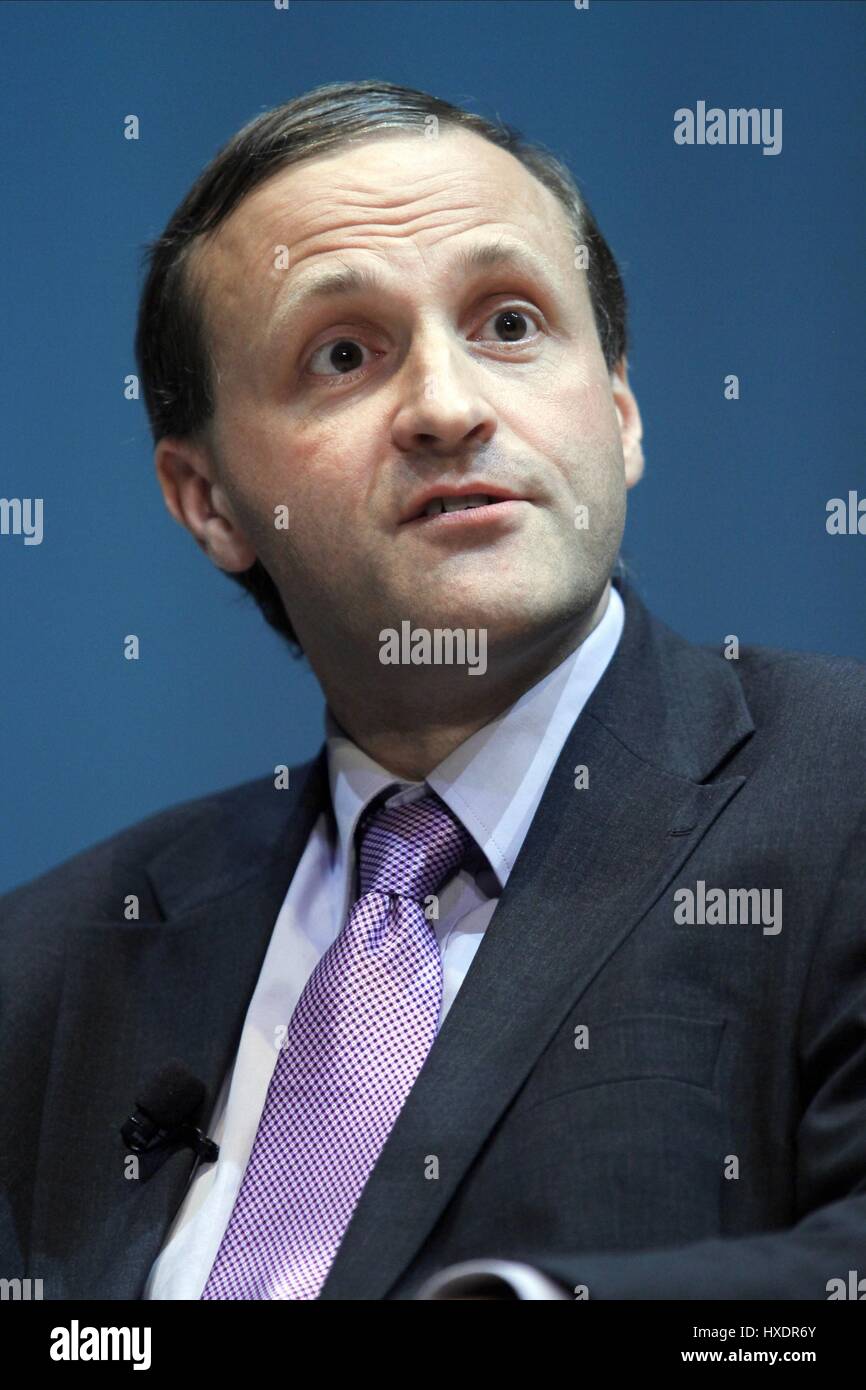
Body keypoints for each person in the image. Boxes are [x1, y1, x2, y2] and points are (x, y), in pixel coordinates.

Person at [1, 80, 864, 1302]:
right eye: (343, 353)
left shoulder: (838, 797)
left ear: (616, 414)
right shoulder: (46, 970)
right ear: (208, 501)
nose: (450, 408)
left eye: (509, 325)